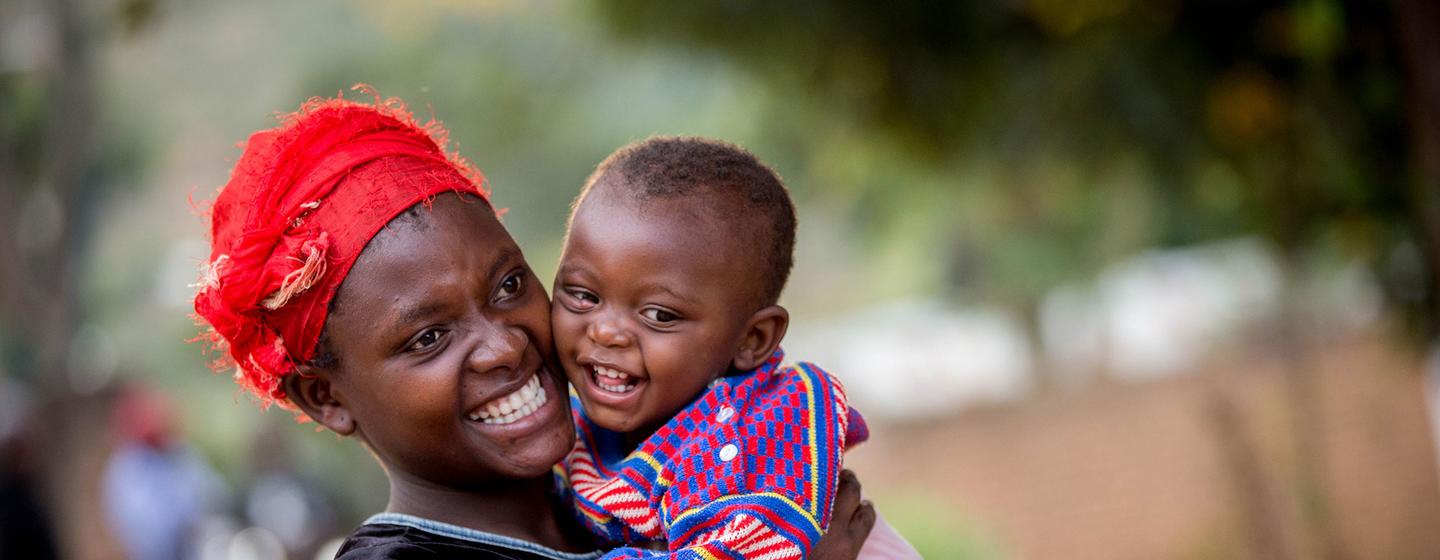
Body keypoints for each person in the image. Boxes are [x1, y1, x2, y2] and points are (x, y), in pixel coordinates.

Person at [191, 90, 875, 559]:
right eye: (428, 337)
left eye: (509, 285)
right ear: (327, 397)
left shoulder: (644, 472)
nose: (504, 343)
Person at [553, 137, 919, 559]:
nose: (605, 332)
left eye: (660, 316)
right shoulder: (581, 426)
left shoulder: (759, 433)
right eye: (582, 294)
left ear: (752, 340)